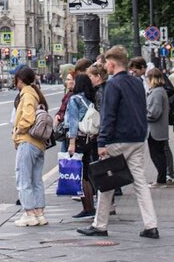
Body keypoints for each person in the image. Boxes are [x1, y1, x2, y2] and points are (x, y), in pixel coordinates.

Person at [78, 46, 160, 240]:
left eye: (106, 63)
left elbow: (109, 115)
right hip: (137, 139)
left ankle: (100, 225)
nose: (105, 66)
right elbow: (141, 109)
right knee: (140, 183)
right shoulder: (137, 83)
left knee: (107, 181)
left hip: (117, 139)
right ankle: (151, 225)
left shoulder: (113, 85)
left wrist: (102, 142)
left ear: (112, 64)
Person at [66, 67, 106, 219]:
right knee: (87, 172)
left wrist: (71, 142)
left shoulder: (74, 99)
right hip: (90, 139)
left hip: (80, 140)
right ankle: (90, 206)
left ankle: (88, 207)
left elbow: (73, 122)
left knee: (81, 175)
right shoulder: (90, 98)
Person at [11, 66, 49, 227]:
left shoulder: (26, 94)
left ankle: (28, 214)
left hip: (27, 141)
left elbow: (28, 117)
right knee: (36, 179)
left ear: (19, 79)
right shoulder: (35, 93)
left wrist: (18, 132)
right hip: (38, 144)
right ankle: (39, 214)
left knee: (23, 178)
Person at [145, 67, 171, 187]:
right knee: (158, 154)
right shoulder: (158, 91)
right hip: (157, 130)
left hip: (155, 130)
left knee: (157, 155)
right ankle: (161, 178)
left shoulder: (157, 92)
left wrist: (142, 114)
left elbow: (154, 113)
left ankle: (161, 180)